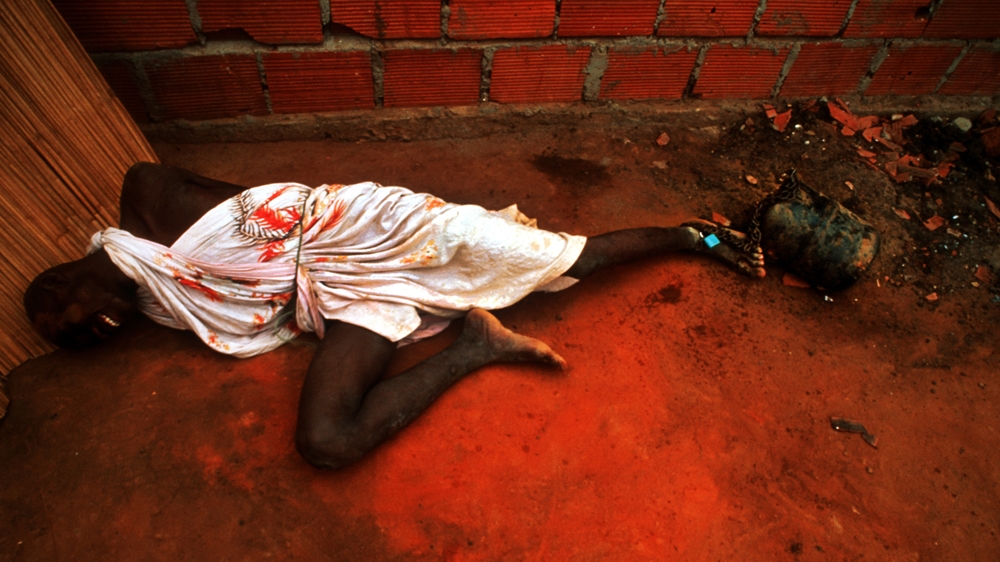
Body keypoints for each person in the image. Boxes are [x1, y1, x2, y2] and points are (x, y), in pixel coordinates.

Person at [24, 162, 765, 470]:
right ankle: (473, 346)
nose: (84, 338)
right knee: (324, 441)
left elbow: (273, 215)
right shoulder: (155, 294)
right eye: (73, 343)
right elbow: (227, 283)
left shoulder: (148, 199)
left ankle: (692, 233)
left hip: (365, 228)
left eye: (66, 323)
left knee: (561, 263)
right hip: (334, 296)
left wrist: (277, 244)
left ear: (65, 283)